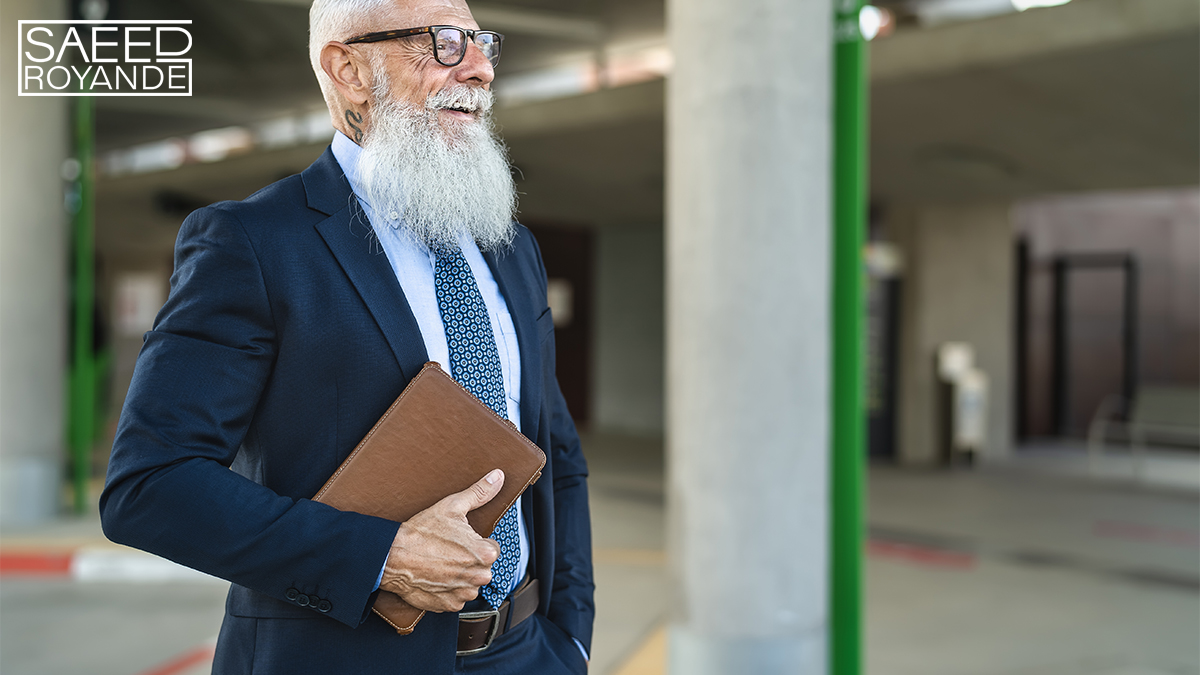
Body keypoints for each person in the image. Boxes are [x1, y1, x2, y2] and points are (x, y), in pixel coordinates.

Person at [98, 0, 594, 672]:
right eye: (446, 43)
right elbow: (149, 486)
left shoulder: (513, 247)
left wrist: (570, 638)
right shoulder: (253, 243)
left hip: (527, 651)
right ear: (349, 67)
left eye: (482, 45)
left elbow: (555, 452)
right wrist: (382, 556)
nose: (478, 69)